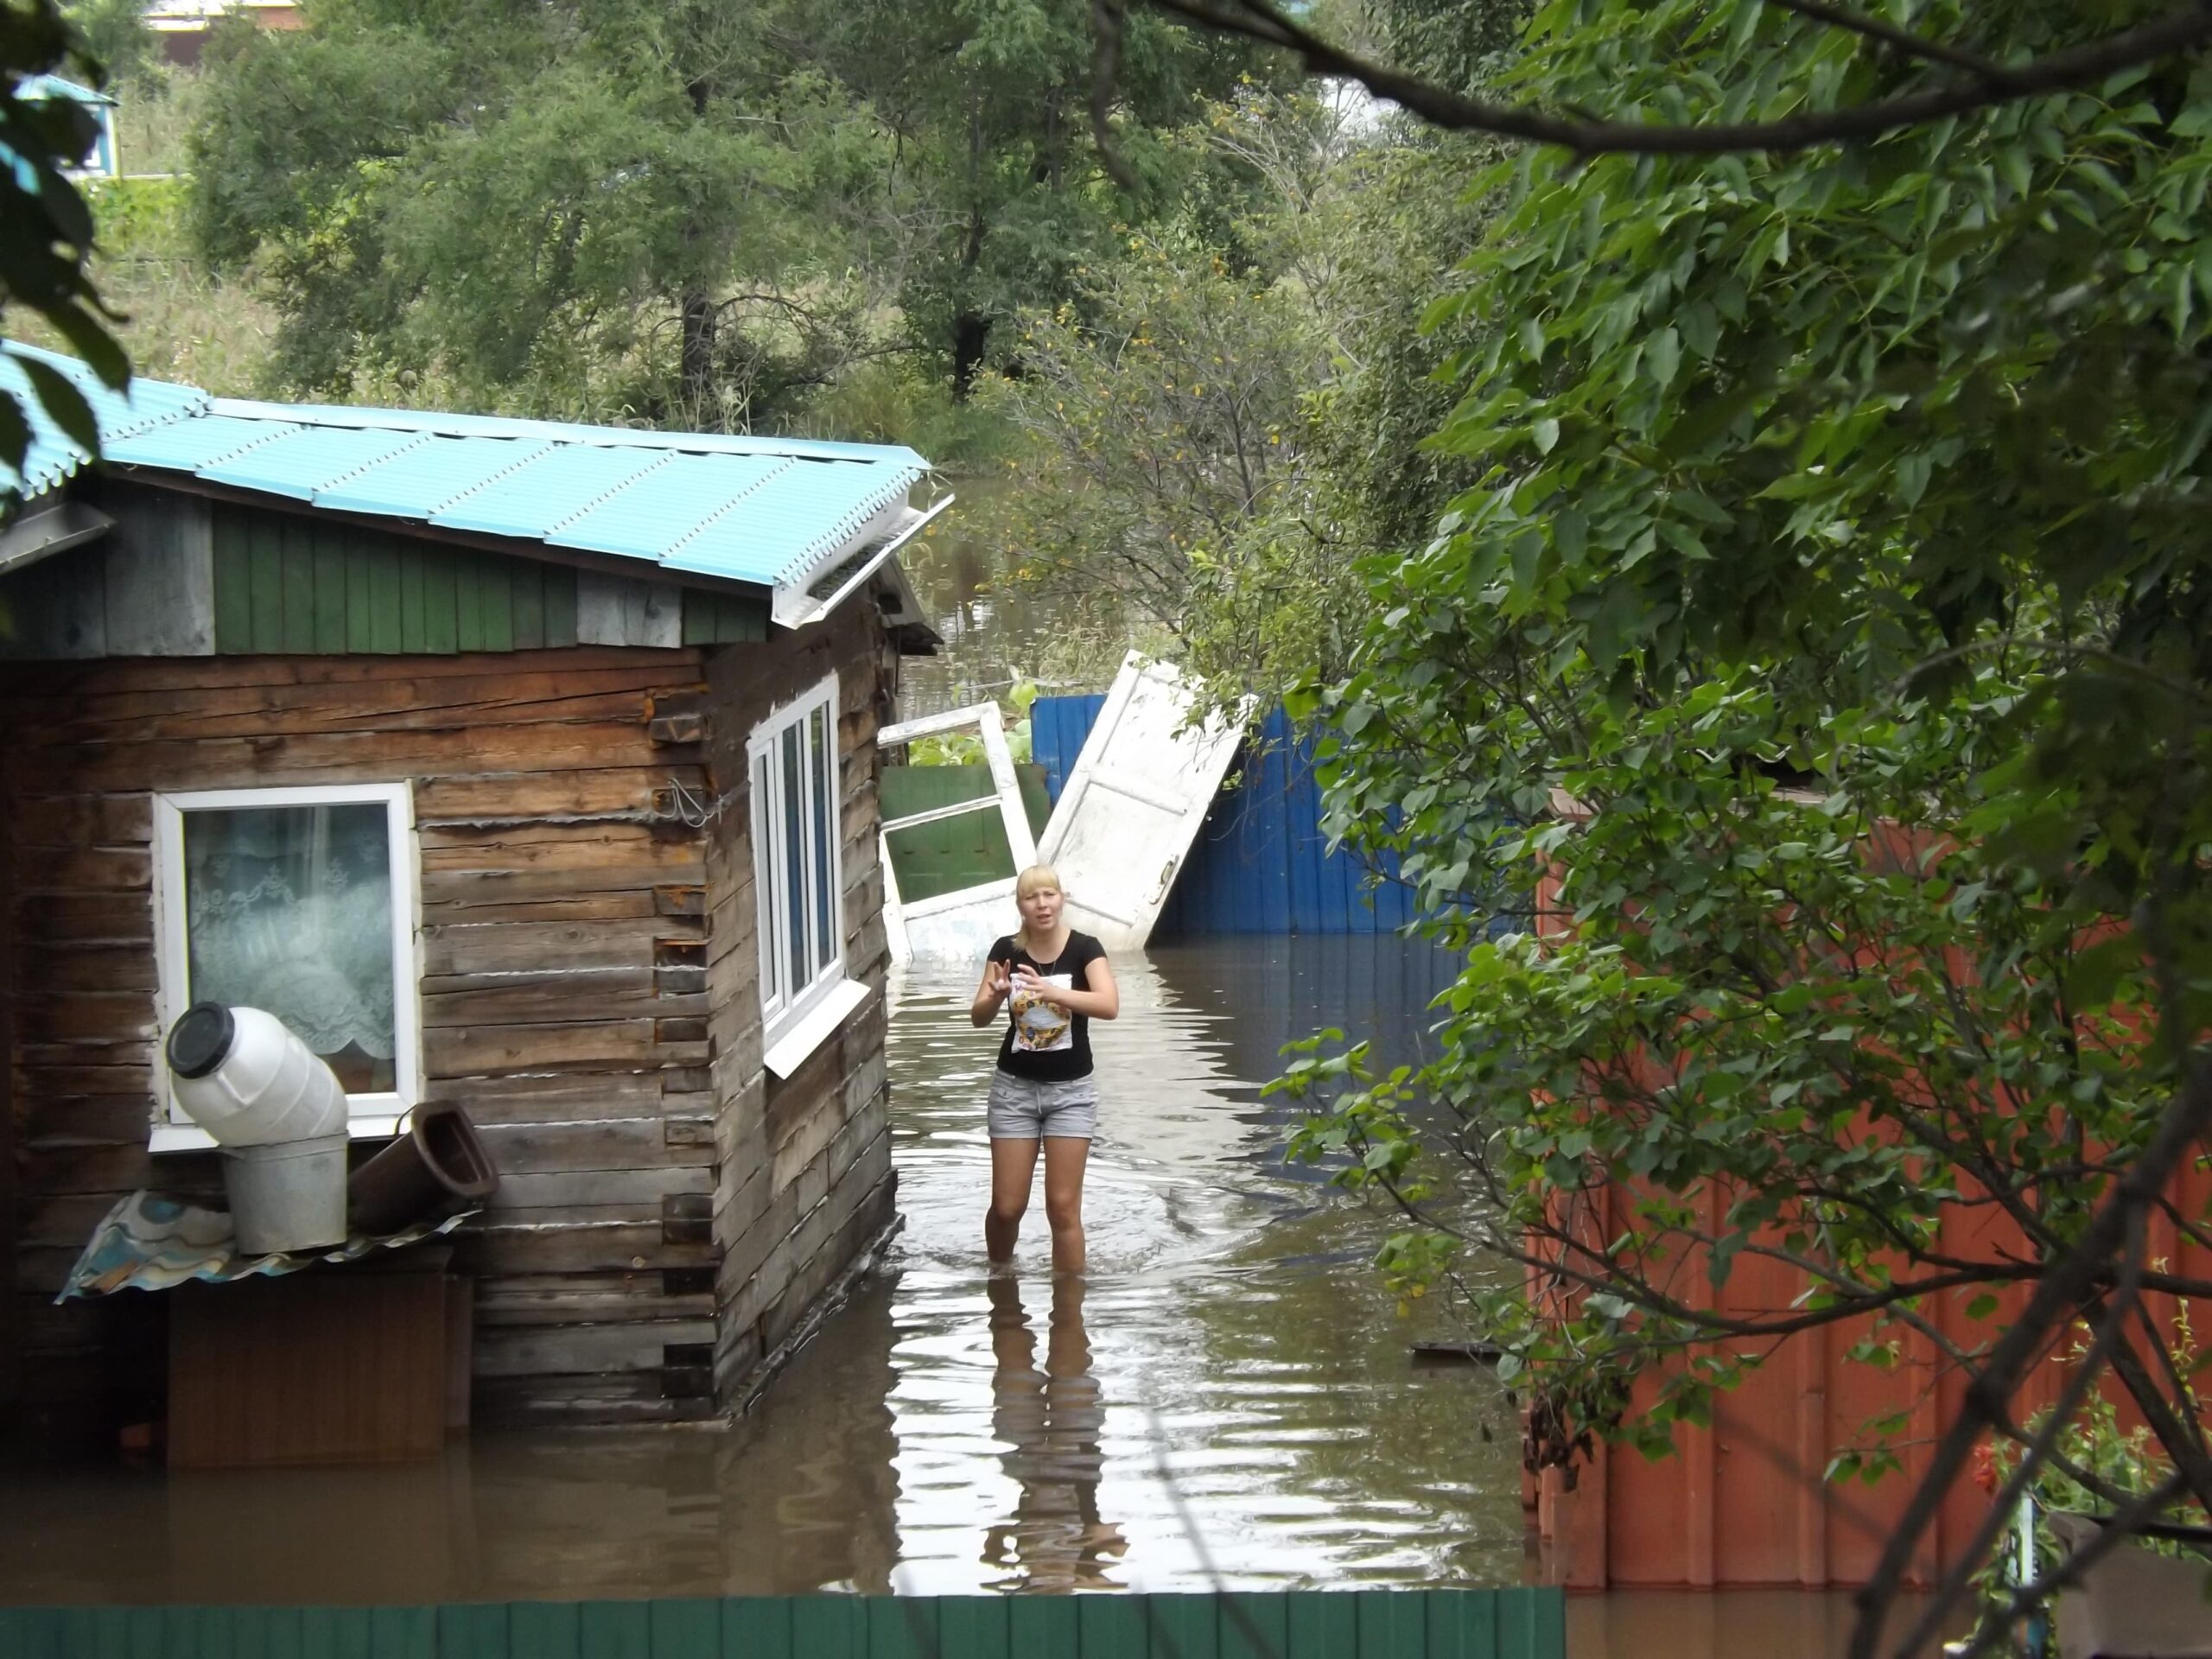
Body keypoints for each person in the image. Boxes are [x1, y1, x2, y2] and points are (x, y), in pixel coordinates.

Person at [969, 864, 1119, 1274]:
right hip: (1013, 1091)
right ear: (1020, 905)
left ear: (1061, 898)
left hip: (1071, 1092)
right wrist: (996, 997)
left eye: (1049, 895)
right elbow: (977, 1017)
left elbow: (1109, 1005)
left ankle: (1070, 1310)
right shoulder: (1006, 951)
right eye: (1031, 897)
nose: (1042, 904)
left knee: (1063, 1207)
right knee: (1006, 1206)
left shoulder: (1086, 949)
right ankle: (999, 1282)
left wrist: (1054, 991)